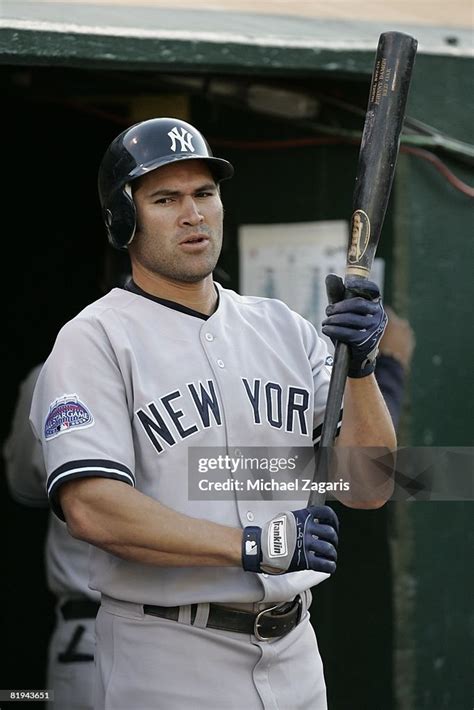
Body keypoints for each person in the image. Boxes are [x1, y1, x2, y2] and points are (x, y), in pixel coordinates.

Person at [29, 117, 396, 710]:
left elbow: (369, 485)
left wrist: (363, 370)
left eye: (204, 193)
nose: (192, 214)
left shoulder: (283, 326)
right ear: (123, 219)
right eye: (165, 198)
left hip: (296, 648)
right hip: (169, 648)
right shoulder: (95, 338)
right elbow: (93, 509)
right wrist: (254, 542)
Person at [3, 248, 130, 710]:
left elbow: (24, 486)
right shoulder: (53, 375)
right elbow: (23, 489)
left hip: (124, 637)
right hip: (92, 634)